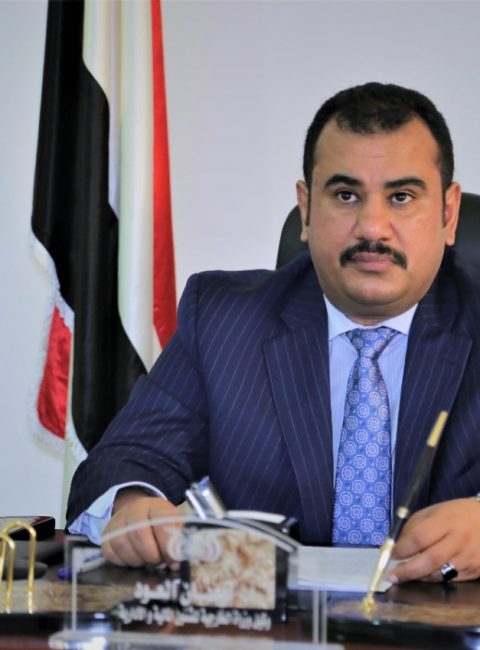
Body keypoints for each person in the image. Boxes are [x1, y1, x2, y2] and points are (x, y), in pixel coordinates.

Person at [67, 82, 480, 584]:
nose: (373, 227)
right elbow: (126, 459)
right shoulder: (223, 319)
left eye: (401, 197)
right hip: (273, 617)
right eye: (346, 195)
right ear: (306, 209)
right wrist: (132, 504)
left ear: (448, 214)